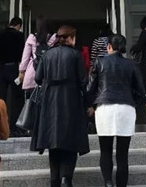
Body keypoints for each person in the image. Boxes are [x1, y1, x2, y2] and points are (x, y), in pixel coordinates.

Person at [30, 26, 91, 187]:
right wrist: (88, 103)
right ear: (70, 38)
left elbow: (38, 78)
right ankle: (66, 177)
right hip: (71, 100)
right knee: (71, 140)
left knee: (53, 141)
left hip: (49, 101)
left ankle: (54, 179)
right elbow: (83, 81)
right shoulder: (75, 55)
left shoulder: (47, 54)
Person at [88, 34, 145, 187]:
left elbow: (90, 88)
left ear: (109, 46)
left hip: (105, 107)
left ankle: (108, 183)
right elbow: (141, 91)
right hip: (126, 108)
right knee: (122, 154)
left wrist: (91, 105)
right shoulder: (131, 64)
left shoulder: (100, 62)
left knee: (105, 150)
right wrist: (133, 102)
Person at [0, 17, 26, 137]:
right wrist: (23, 70)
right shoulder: (19, 36)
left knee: (0, 98)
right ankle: (14, 126)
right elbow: (22, 54)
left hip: (0, 69)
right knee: (18, 97)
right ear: (19, 25)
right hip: (13, 69)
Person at [19, 16, 56, 100]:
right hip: (50, 74)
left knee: (31, 104)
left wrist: (21, 71)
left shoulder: (32, 38)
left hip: (33, 75)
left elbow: (25, 58)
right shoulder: (55, 39)